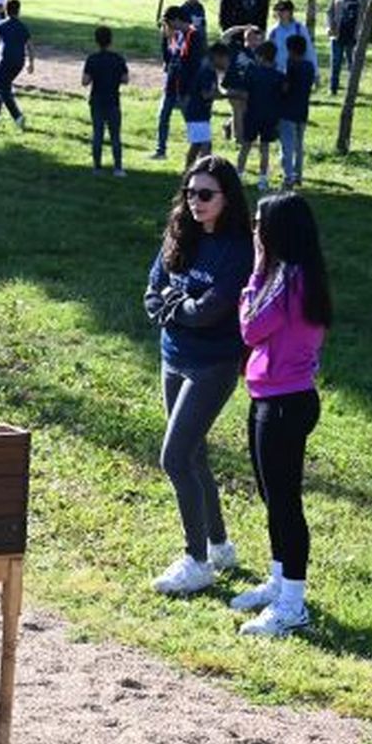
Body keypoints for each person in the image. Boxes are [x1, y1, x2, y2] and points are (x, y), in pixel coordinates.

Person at [143, 155, 253, 596]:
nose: (195, 201)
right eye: (190, 192)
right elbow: (153, 291)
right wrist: (177, 305)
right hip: (172, 357)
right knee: (195, 456)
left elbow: (210, 312)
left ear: (227, 197)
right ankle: (219, 546)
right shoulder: (180, 232)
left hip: (213, 365)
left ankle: (196, 562)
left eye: (206, 194)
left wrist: (177, 305)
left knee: (174, 458)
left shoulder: (239, 249)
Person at [233, 193, 331, 638]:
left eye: (260, 223)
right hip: (271, 397)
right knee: (273, 498)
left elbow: (250, 328)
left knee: (285, 503)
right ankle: (278, 582)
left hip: (285, 403)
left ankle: (293, 604)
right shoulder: (295, 274)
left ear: (278, 231)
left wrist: (256, 270)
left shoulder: (290, 280)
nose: (255, 230)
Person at [153, 6, 205, 161]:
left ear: (176, 20)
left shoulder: (194, 35)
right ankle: (160, 150)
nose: (167, 26)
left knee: (192, 121)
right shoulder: (172, 35)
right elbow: (167, 57)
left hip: (187, 87)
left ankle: (203, 152)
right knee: (163, 117)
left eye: (169, 22)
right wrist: (165, 38)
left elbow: (195, 63)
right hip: (171, 84)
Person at [83, 25, 129, 176]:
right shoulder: (118, 59)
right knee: (115, 135)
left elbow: (85, 81)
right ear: (111, 40)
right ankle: (118, 168)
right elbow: (125, 79)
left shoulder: (92, 59)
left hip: (96, 100)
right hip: (113, 100)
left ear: (96, 41)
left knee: (98, 134)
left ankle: (97, 167)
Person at [239, 43, 283, 191]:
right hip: (270, 116)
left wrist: (243, 112)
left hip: (252, 114)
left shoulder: (251, 73)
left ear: (261, 57)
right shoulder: (279, 76)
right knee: (265, 148)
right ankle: (263, 179)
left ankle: (239, 174)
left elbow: (245, 95)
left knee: (246, 146)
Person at [0, 0, 33, 129]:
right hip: (19, 62)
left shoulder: (1, 25)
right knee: (0, 85)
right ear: (18, 11)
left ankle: (17, 116)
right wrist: (31, 62)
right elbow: (30, 46)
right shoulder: (23, 27)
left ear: (6, 11)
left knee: (2, 89)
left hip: (5, 60)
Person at [183, 43, 231, 168]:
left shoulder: (210, 70)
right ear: (217, 57)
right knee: (206, 146)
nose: (227, 63)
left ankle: (188, 170)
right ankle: (204, 172)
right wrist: (230, 95)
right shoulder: (207, 71)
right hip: (197, 112)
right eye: (226, 59)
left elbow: (215, 91)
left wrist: (227, 93)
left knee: (196, 145)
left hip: (200, 112)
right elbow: (207, 94)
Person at [278, 35, 315, 189]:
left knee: (287, 146)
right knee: (299, 146)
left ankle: (288, 176)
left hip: (288, 110)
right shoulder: (309, 66)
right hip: (303, 110)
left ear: (290, 50)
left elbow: (285, 88)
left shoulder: (291, 65)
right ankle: (298, 175)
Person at [267, 0, 319, 81]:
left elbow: (309, 50)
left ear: (290, 12)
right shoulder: (273, 31)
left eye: (283, 10)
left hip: (297, 71)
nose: (279, 13)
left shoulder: (299, 28)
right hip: (278, 71)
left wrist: (315, 72)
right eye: (277, 10)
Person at [326, 0, 363, 94]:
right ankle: (333, 88)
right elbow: (330, 12)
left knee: (352, 64)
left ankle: (352, 89)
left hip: (353, 36)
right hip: (338, 35)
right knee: (336, 63)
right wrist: (329, 27)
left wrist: (360, 32)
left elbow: (363, 14)